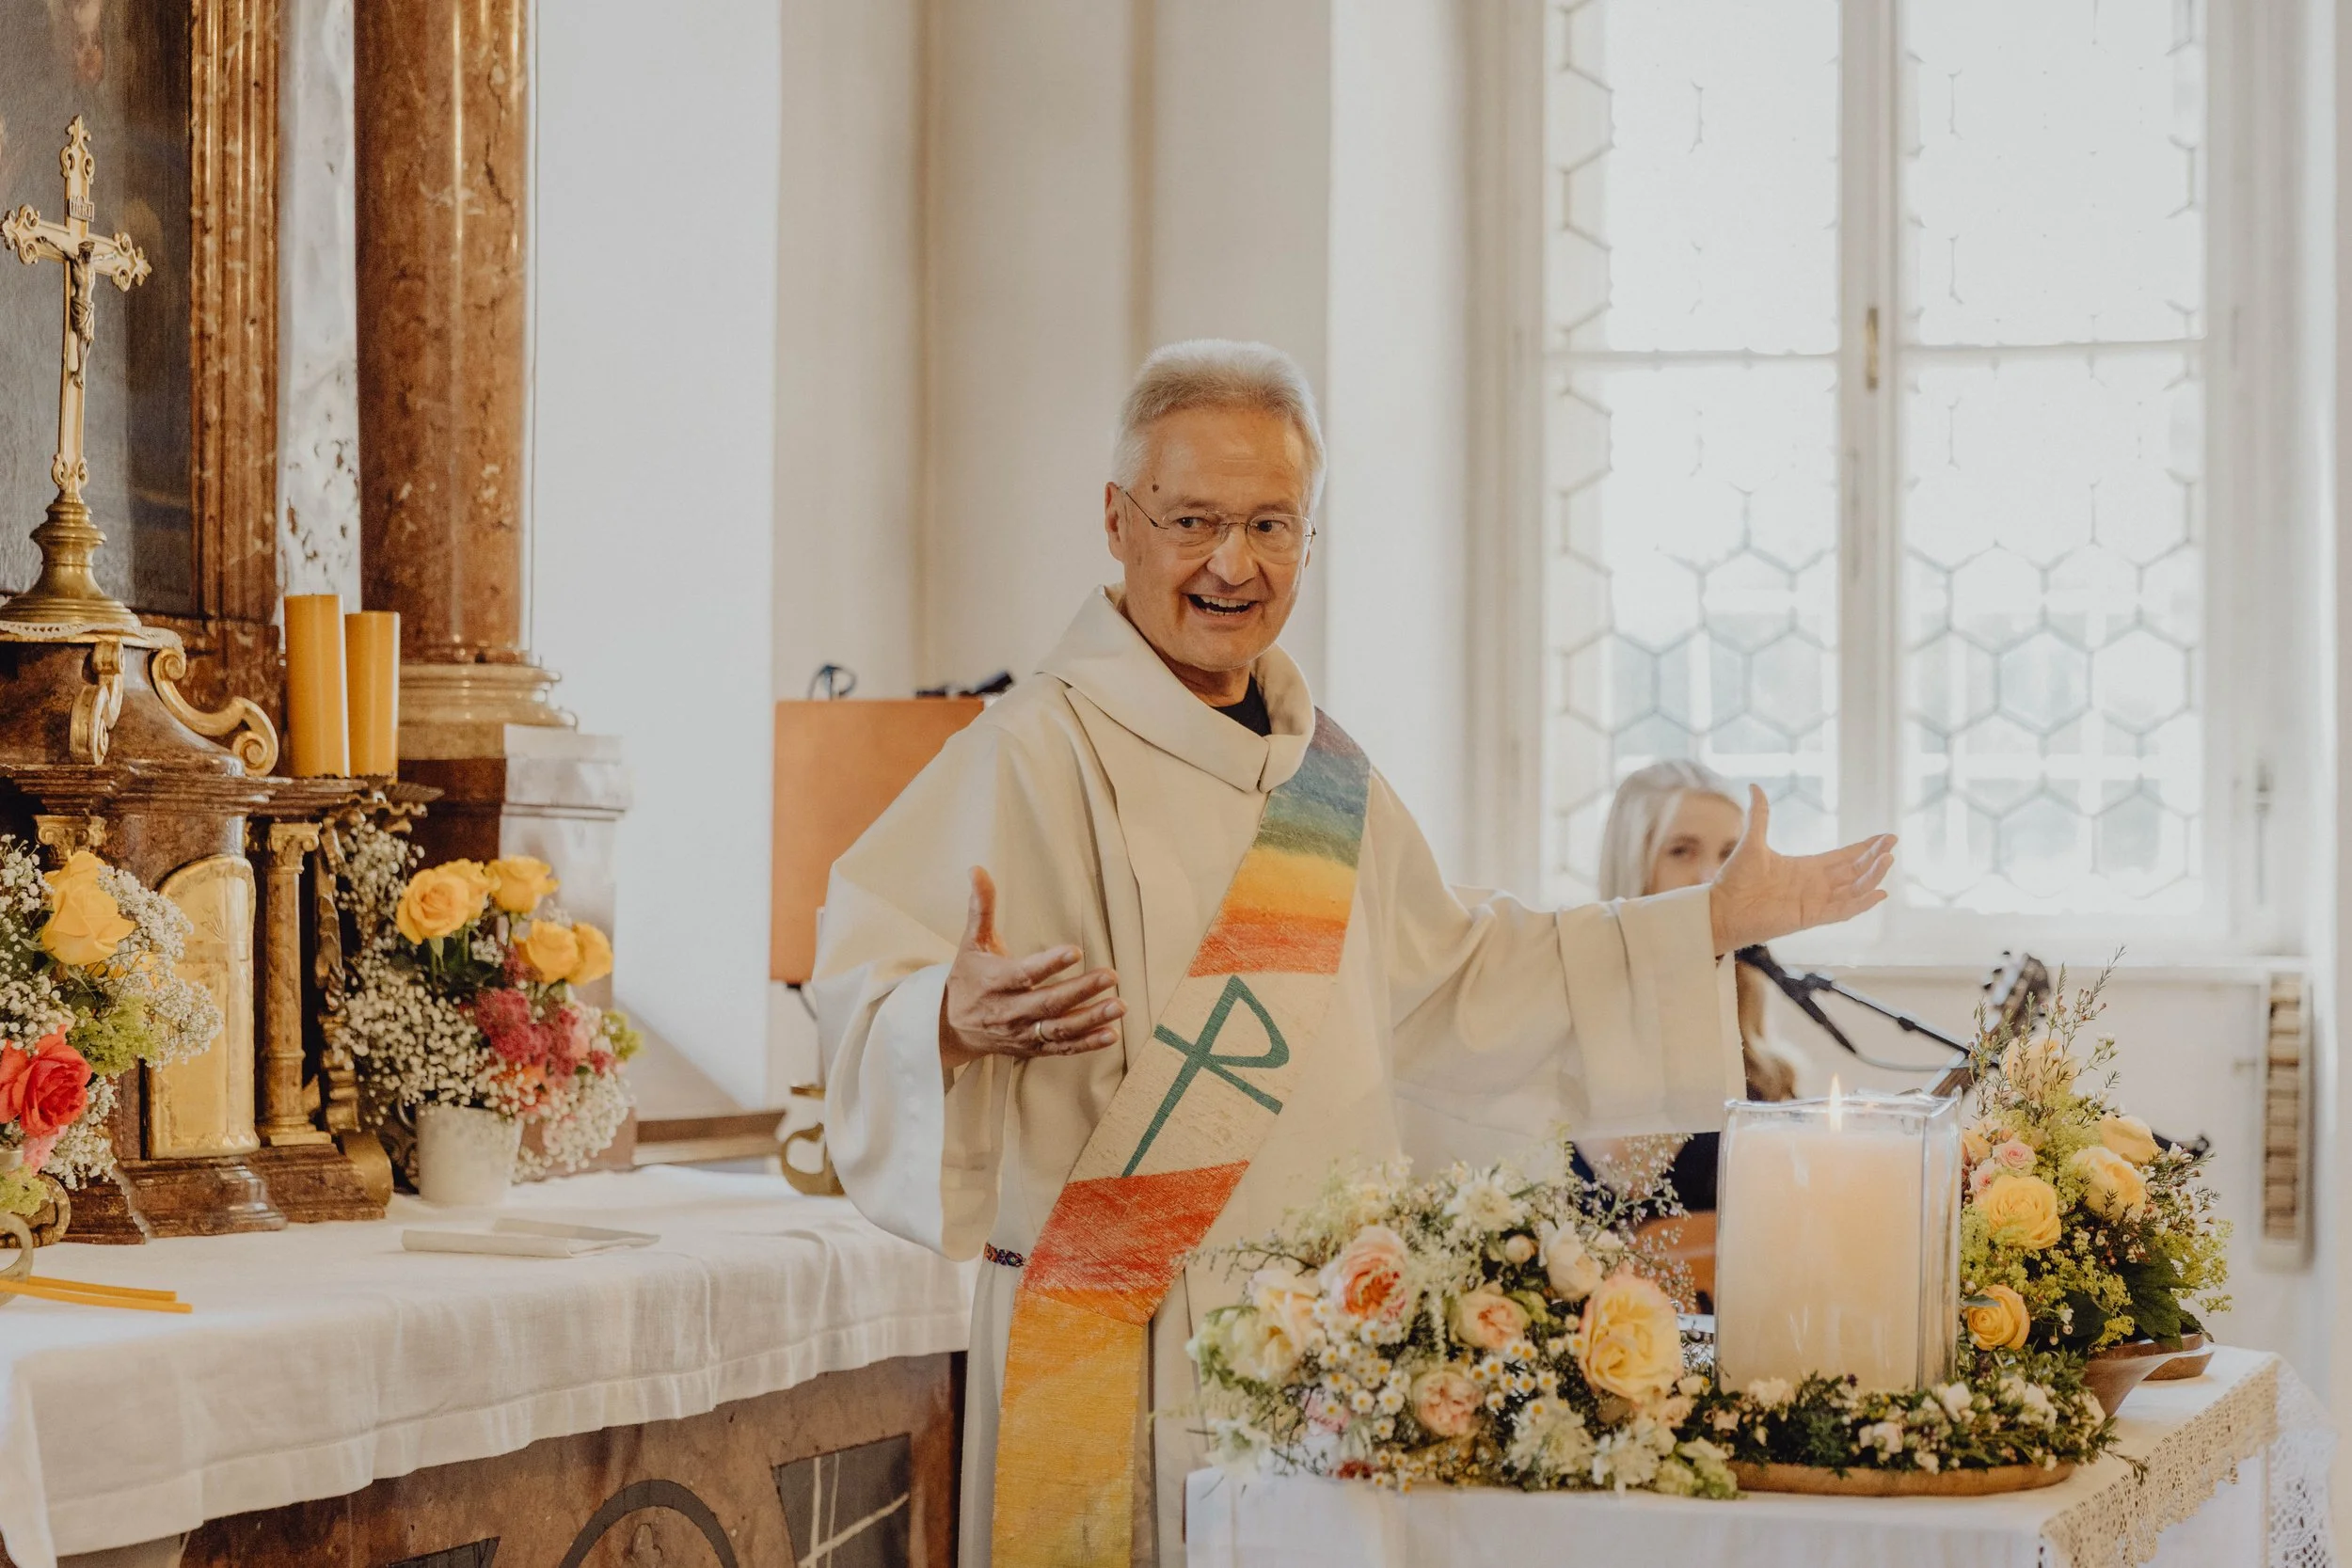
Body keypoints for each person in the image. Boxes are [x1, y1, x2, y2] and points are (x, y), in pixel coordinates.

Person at [810, 340, 1895, 1568]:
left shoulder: (1325, 779)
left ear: (1311, 538)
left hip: (1328, 1346)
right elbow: (863, 978)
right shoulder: (1031, 749)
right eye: (1194, 519)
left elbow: (1467, 972)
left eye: (1272, 522)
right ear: (1117, 521)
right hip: (1114, 1329)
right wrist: (948, 1017)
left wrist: (1702, 920)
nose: (1234, 562)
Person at [1584, 760, 1805, 1217]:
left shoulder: (1759, 1048)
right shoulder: (1578, 1014)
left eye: (1730, 854)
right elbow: (1630, 1174)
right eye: (1682, 851)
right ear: (1634, 869)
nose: (1712, 878)